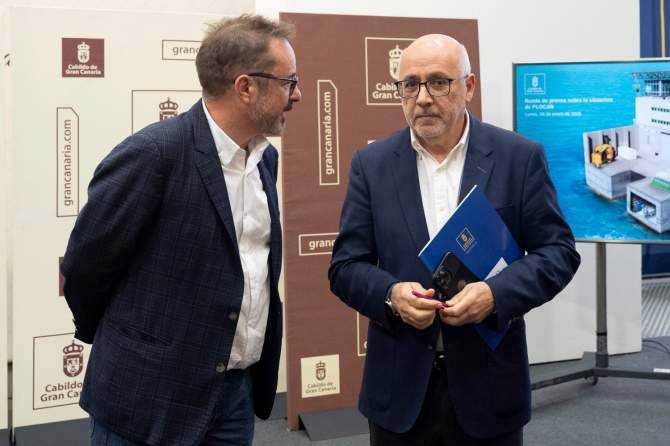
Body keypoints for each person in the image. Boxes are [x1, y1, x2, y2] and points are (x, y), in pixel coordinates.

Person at [328, 34, 580, 446]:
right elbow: (345, 267)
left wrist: (495, 295)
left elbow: (558, 253)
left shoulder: (519, 157)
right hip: (399, 390)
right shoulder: (371, 165)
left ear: (469, 86)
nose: (423, 98)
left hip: (489, 388)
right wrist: (391, 295)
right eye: (410, 85)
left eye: (438, 82)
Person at [61, 14, 301, 446]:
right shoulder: (154, 154)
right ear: (246, 87)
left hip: (234, 396)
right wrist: (133, 346)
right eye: (289, 82)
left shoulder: (264, 159)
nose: (297, 94)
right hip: (147, 398)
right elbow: (84, 268)